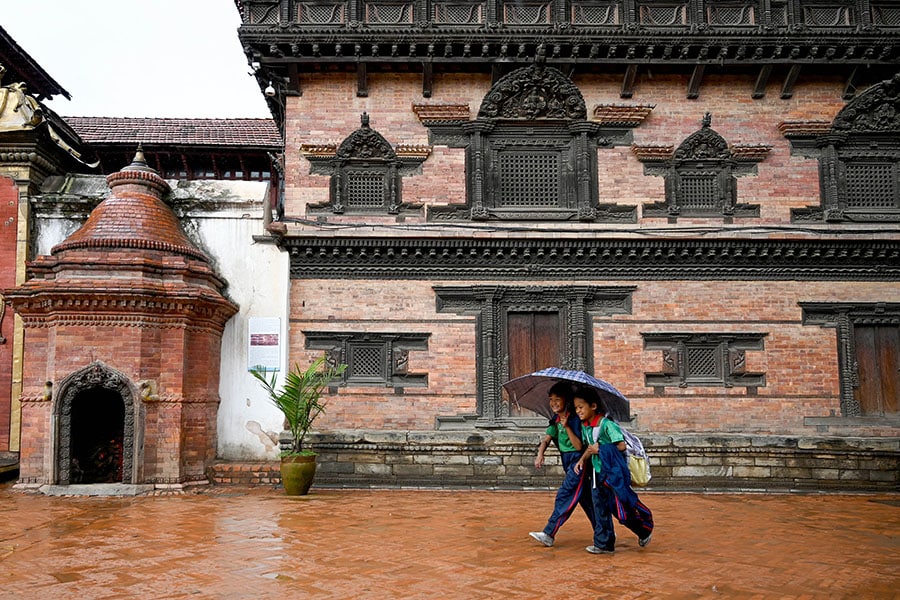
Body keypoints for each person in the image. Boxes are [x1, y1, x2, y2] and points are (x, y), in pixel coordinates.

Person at [573, 386, 653, 554]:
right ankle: (604, 544)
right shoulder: (585, 426)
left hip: (612, 475)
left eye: (581, 407)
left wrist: (601, 449)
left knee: (620, 509)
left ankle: (644, 529)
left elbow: (621, 445)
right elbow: (589, 448)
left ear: (593, 406)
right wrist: (581, 461)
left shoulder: (607, 425)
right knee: (599, 507)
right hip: (597, 473)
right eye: (576, 408)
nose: (578, 411)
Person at [528, 381, 596, 547]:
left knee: (565, 494)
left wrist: (566, 427)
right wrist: (540, 454)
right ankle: (604, 530)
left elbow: (579, 446)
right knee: (585, 499)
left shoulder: (574, 419)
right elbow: (547, 439)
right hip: (568, 462)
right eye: (551, 399)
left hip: (578, 462)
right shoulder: (555, 420)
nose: (553, 403)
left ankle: (549, 533)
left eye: (557, 399)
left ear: (567, 400)